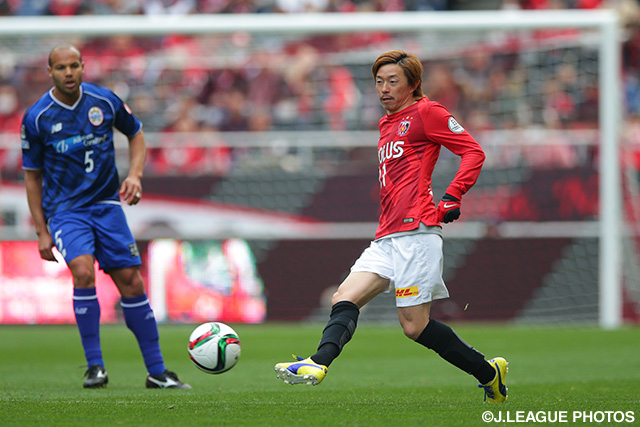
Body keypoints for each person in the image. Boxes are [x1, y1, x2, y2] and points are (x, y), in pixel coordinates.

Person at [274, 50, 508, 403]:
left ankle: (489, 372)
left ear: (413, 85)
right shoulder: (386, 123)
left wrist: (452, 195)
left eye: (393, 81)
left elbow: (473, 152)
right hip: (386, 236)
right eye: (379, 82)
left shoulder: (428, 112)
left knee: (414, 327)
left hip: (417, 233)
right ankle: (318, 363)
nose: (384, 88)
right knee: (344, 296)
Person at [21, 45, 190, 390]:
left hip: (106, 205)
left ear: (83, 67)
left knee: (131, 281)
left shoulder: (104, 101)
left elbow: (136, 133)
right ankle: (95, 366)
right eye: (60, 67)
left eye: (74, 66)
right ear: (50, 72)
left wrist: (135, 175)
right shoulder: (37, 118)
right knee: (82, 270)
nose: (68, 72)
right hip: (66, 211)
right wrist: (41, 231)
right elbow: (32, 176)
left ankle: (157, 372)